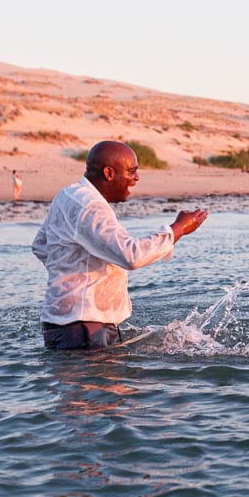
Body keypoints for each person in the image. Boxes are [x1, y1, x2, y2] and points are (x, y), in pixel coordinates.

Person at [32, 141, 209, 349]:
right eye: (132, 171)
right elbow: (131, 256)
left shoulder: (68, 194)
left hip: (61, 325)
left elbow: (41, 246)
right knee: (106, 382)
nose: (137, 178)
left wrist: (72, 274)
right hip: (85, 329)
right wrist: (177, 229)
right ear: (109, 173)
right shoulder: (91, 207)